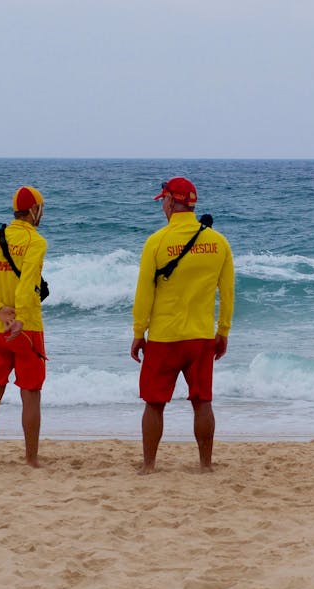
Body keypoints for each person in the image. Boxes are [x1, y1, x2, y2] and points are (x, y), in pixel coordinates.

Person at [131, 177, 234, 474]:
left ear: (171, 202)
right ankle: (205, 465)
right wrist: (223, 331)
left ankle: (149, 465)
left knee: (154, 403)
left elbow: (144, 293)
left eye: (163, 200)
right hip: (200, 336)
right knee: (202, 401)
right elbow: (227, 293)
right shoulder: (218, 242)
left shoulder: (156, 241)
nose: (162, 206)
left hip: (164, 337)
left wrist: (139, 332)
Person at [0, 185, 49, 468]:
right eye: (41, 209)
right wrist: (19, 320)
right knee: (30, 393)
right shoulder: (36, 242)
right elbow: (29, 283)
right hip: (26, 329)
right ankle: (31, 459)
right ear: (33, 211)